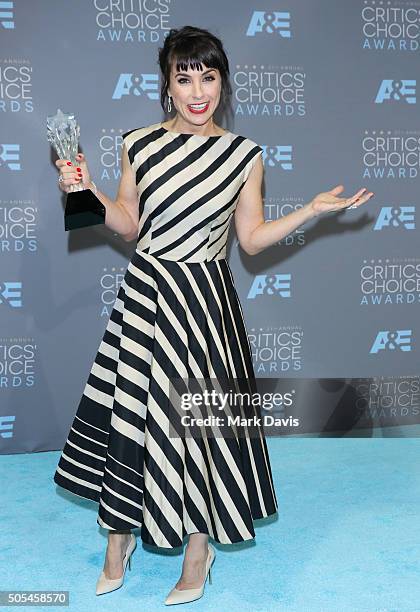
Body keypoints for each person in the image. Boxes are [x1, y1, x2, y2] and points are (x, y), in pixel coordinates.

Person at [53, 25, 373, 606]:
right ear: (167, 84)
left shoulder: (244, 155)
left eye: (208, 76)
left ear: (222, 81)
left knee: (199, 426)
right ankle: (119, 534)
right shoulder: (140, 144)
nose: (197, 91)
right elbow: (127, 222)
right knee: (132, 415)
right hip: (146, 295)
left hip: (203, 302)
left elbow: (249, 240)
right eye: (184, 77)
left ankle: (198, 551)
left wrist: (310, 211)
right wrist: (87, 189)